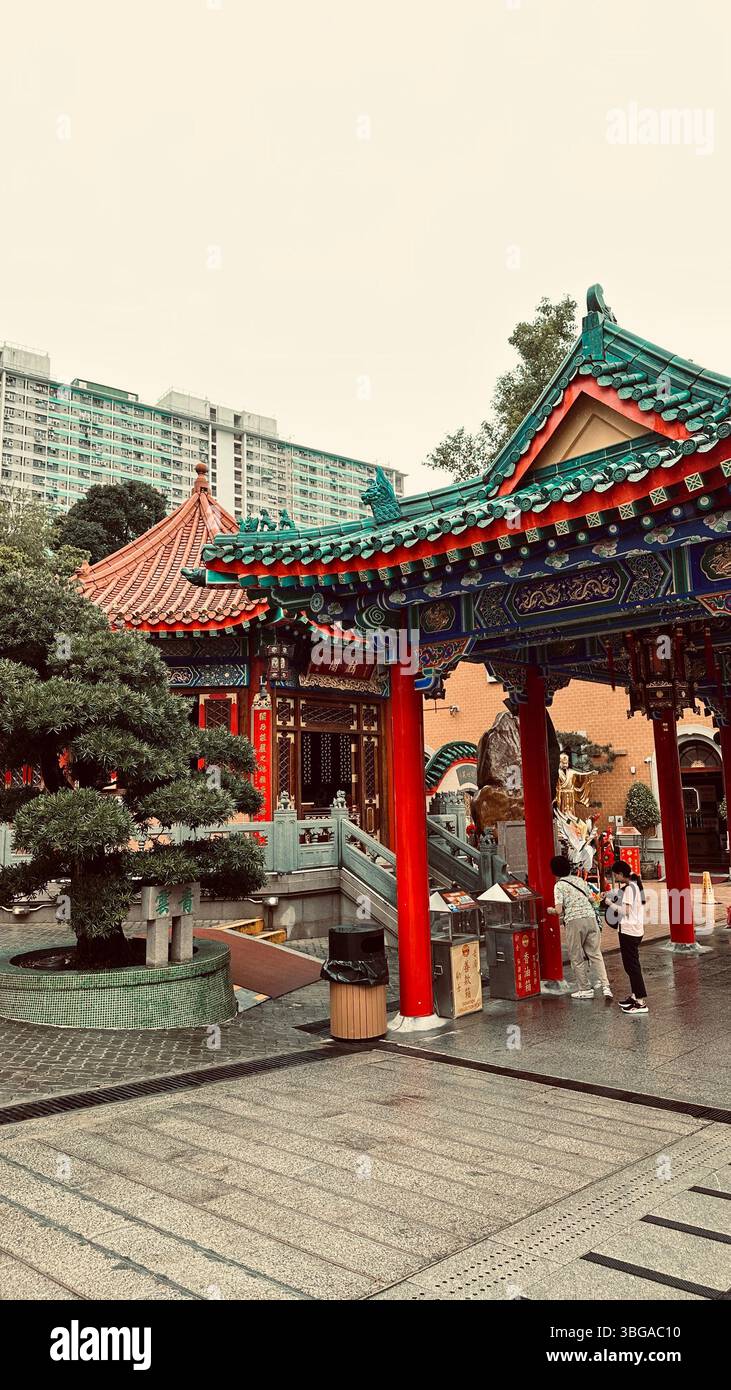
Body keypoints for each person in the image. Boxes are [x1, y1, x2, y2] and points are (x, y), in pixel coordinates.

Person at [547, 854, 612, 1000]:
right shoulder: (579, 880)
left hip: (574, 922)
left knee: (576, 956)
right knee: (595, 954)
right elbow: (592, 899)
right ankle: (606, 986)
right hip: (590, 918)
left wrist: (549, 910)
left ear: (554, 870)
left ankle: (584, 988)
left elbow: (558, 910)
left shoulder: (559, 885)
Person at [607, 860, 648, 1015]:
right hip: (634, 930)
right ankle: (635, 995)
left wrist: (609, 903)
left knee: (632, 967)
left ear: (621, 874)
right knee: (631, 966)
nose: (615, 877)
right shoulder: (634, 885)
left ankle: (640, 1002)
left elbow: (625, 911)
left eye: (616, 875)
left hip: (629, 931)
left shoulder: (630, 888)